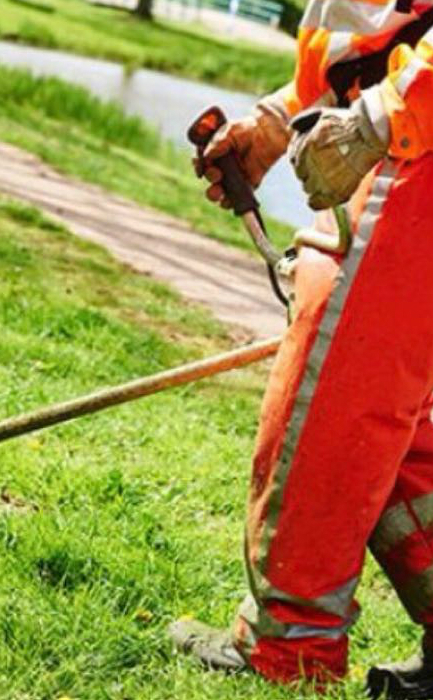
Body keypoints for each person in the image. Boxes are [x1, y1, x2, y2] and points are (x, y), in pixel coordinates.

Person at [170, 5, 433, 697]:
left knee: (329, 415)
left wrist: (378, 119)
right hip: (399, 135)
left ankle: (288, 650)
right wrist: (278, 121)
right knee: (398, 432)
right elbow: (367, 34)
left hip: (413, 158)